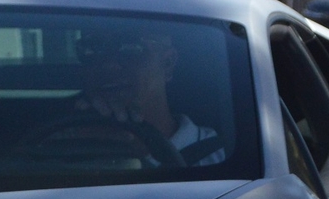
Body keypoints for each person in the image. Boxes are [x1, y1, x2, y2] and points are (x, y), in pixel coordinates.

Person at [73, 25, 225, 166]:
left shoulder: (221, 156)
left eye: (131, 48)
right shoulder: (61, 150)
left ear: (167, 63)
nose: (109, 65)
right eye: (92, 49)